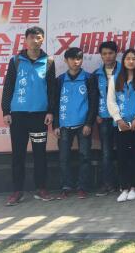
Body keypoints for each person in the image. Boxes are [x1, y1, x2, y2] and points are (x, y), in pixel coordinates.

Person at [2, 26, 57, 206]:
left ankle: (41, 188)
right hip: (18, 115)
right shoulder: (16, 60)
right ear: (25, 40)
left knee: (40, 154)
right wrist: (6, 111)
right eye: (31, 37)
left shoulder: (49, 62)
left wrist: (50, 111)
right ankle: (17, 191)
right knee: (18, 154)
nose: (35, 40)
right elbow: (8, 86)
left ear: (43, 39)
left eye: (38, 37)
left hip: (39, 116)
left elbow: (52, 89)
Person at [107, 48, 135, 202]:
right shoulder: (115, 79)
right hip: (121, 124)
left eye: (134, 59)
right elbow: (111, 101)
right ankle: (124, 187)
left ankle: (134, 187)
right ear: (123, 61)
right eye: (128, 59)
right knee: (122, 156)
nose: (131, 61)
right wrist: (118, 119)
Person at [54, 47, 95, 200]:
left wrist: (89, 123)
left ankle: (82, 187)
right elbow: (54, 103)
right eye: (72, 59)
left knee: (85, 156)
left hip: (83, 124)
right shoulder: (60, 80)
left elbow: (93, 102)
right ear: (66, 60)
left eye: (79, 58)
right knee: (64, 157)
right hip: (64, 125)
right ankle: (66, 186)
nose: (76, 62)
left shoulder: (88, 78)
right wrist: (55, 125)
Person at [90, 41, 121, 197]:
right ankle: (107, 184)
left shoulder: (125, 71)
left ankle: (123, 183)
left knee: (122, 151)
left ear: (116, 53)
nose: (108, 56)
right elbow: (94, 97)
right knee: (106, 153)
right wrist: (96, 114)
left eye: (110, 53)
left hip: (121, 118)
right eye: (104, 54)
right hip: (104, 118)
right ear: (101, 56)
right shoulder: (96, 74)